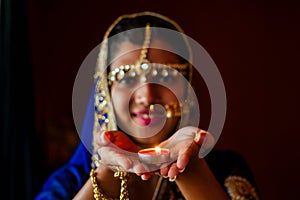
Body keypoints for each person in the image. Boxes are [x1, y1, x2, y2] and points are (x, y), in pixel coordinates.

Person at [35, 11, 260, 200]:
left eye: (165, 76)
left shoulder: (225, 170)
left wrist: (189, 170)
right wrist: (109, 175)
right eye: (127, 78)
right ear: (106, 91)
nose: (147, 95)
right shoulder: (69, 183)